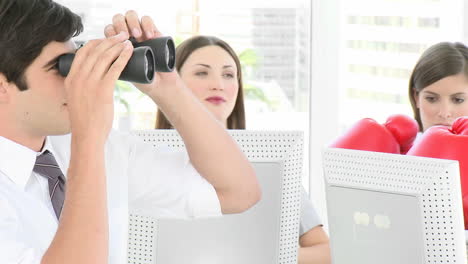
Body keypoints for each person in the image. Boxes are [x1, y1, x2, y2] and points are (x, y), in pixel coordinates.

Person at [0, 1, 261, 264]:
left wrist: (166, 86)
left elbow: (238, 193)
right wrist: (88, 137)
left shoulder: (95, 147)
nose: (81, 80)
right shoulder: (87, 143)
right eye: (62, 67)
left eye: (78, 60)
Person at [155, 35, 331, 264]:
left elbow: (324, 252)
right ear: (173, 83)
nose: (218, 84)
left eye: (228, 74)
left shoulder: (273, 164)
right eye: (202, 72)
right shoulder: (149, 161)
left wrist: (261, 255)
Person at [409, 42, 468, 132]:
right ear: (416, 97)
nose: (444, 113)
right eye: (431, 99)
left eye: (458, 100)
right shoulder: (395, 144)